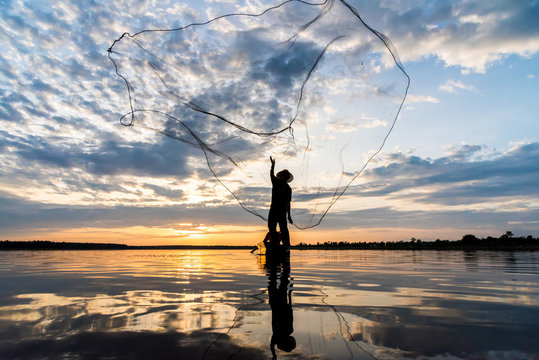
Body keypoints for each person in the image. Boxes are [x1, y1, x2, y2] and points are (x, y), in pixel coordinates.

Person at [268, 156, 293, 249]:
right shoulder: (276, 182)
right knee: (271, 227)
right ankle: (275, 244)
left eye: (285, 176)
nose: (284, 177)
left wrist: (289, 215)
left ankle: (286, 245)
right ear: (281, 176)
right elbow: (271, 175)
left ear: (287, 178)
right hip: (273, 209)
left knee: (284, 229)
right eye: (282, 176)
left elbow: (288, 203)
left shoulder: (288, 189)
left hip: (282, 212)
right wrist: (272, 166)